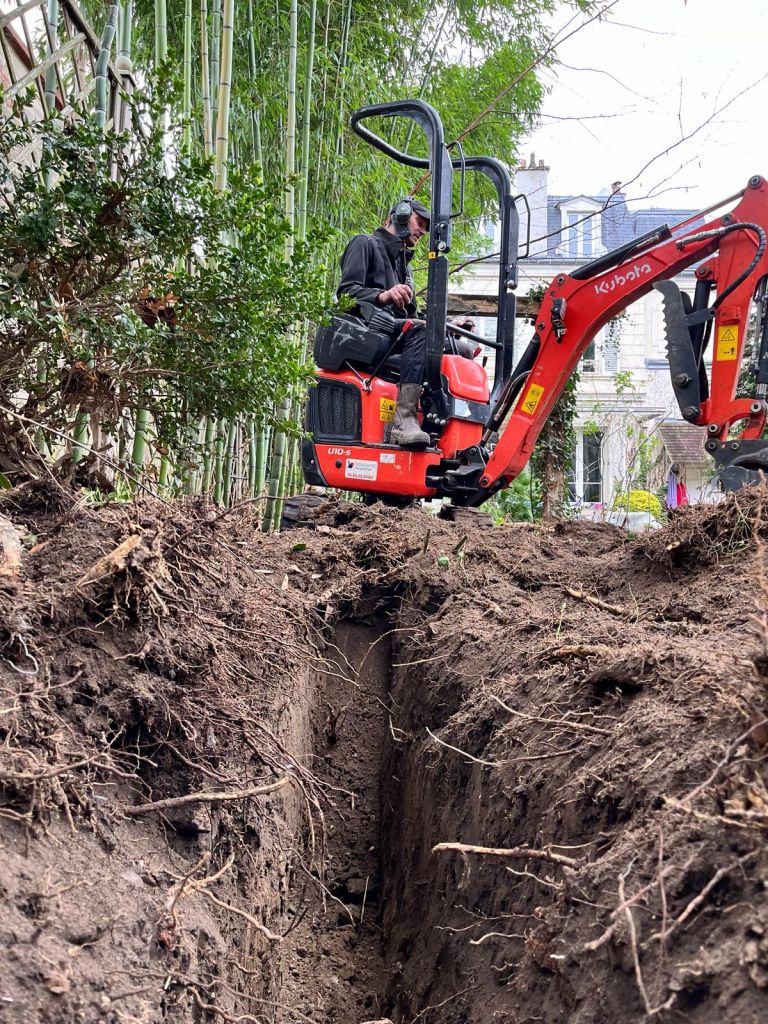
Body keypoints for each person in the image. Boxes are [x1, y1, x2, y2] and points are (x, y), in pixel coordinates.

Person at [337, 198, 476, 448]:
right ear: (399, 216)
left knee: (461, 348)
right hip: (369, 331)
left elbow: (415, 317)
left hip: (400, 334)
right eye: (420, 222)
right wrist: (382, 296)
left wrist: (449, 325)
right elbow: (346, 293)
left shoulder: (404, 267)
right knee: (420, 330)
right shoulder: (364, 244)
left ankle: (440, 426)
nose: (422, 231)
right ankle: (404, 421)